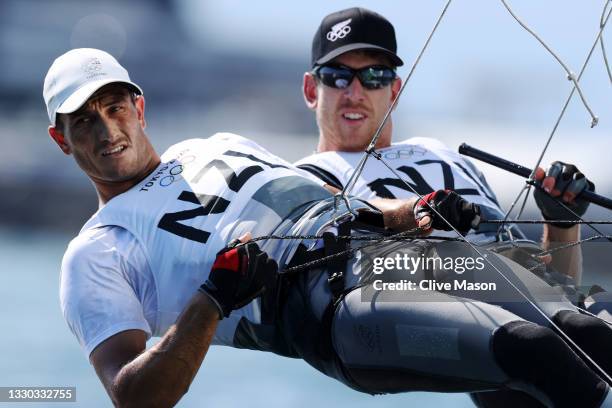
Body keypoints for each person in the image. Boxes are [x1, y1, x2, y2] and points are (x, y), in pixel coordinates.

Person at [45, 48, 612, 408]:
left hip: (389, 253)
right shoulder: (94, 253)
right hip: (329, 312)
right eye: (84, 121)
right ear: (61, 139)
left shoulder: (214, 144)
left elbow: (334, 206)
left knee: (588, 332)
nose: (106, 130)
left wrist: (410, 213)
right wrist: (213, 299)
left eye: (114, 108)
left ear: (138, 110)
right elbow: (134, 396)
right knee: (538, 353)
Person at [295, 7, 594, 285]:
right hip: (437, 318)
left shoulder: (444, 155)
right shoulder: (300, 178)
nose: (355, 92)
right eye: (338, 77)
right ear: (311, 90)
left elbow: (557, 292)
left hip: (511, 304)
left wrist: (561, 227)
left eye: (375, 76)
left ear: (394, 92)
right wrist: (416, 210)